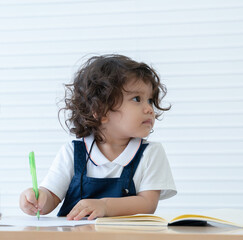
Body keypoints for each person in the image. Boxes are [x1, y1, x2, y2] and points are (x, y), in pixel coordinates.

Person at [19, 54, 177, 220]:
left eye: (150, 100)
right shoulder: (72, 151)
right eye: (137, 99)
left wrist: (104, 206)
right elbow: (51, 196)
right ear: (101, 111)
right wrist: (38, 199)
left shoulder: (151, 153)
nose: (149, 109)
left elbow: (147, 204)